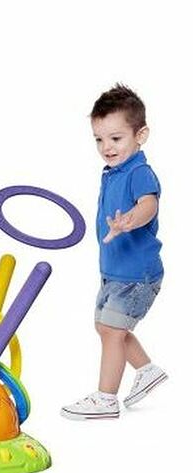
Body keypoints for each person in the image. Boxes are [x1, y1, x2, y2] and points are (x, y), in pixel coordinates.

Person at [61, 84, 167, 420]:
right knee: (106, 328)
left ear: (141, 135)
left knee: (112, 332)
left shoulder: (139, 172)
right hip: (114, 271)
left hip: (136, 274)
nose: (106, 147)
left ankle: (106, 398)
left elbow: (148, 204)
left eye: (116, 138)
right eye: (99, 139)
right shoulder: (112, 172)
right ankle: (147, 370)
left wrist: (131, 220)